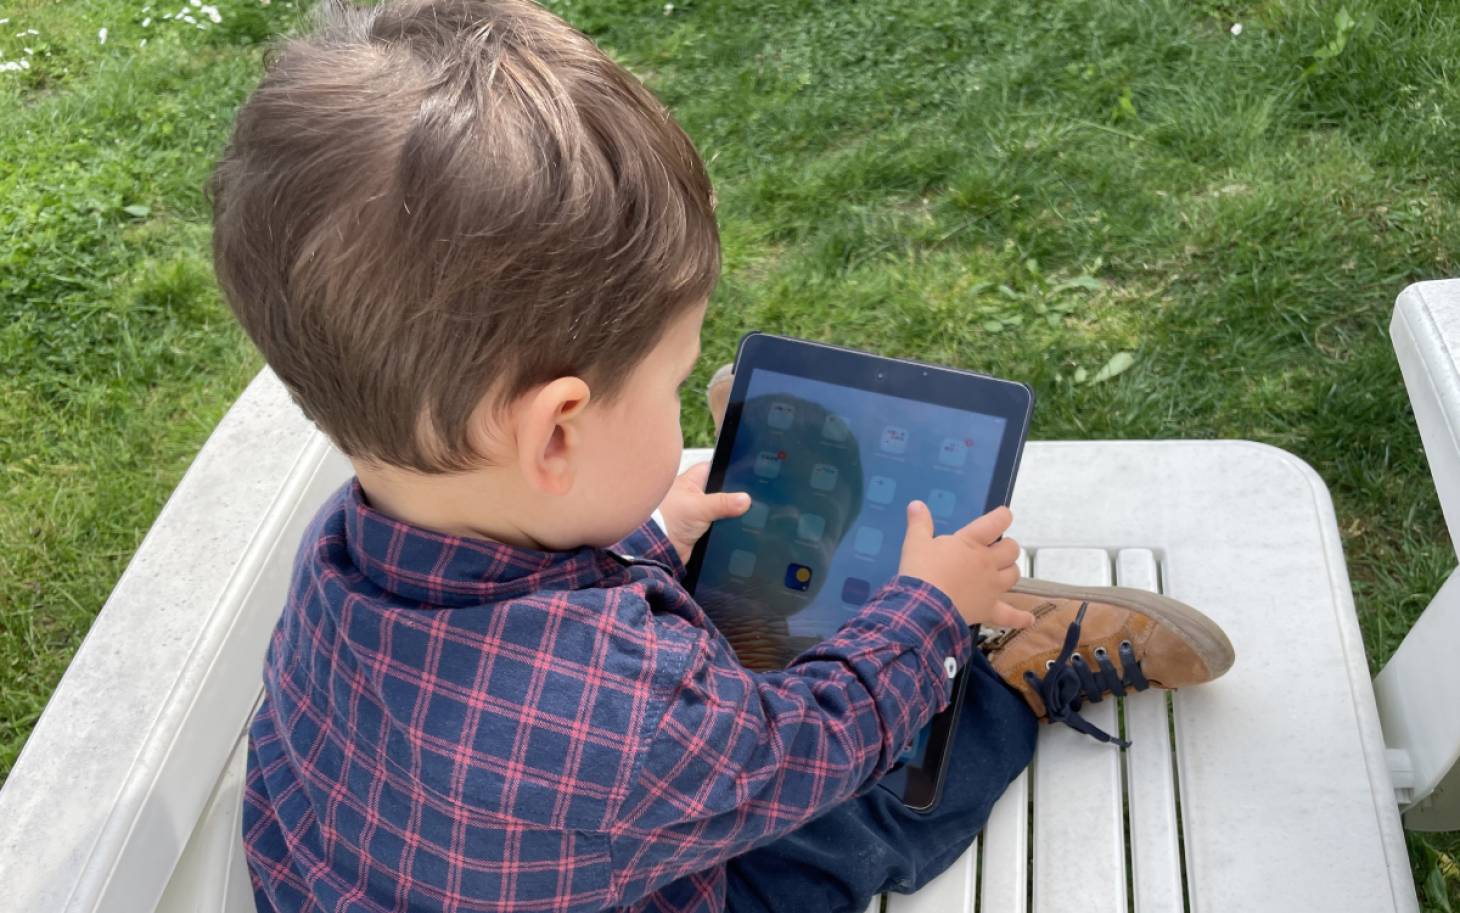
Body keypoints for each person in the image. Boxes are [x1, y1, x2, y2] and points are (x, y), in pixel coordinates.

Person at [206, 1, 1236, 910]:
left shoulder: (348, 547)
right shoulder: (629, 720)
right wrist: (924, 609)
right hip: (668, 841)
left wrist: (646, 540)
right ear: (556, 431)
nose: (686, 403)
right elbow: (808, 742)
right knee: (844, 829)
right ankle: (1003, 676)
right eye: (667, 383)